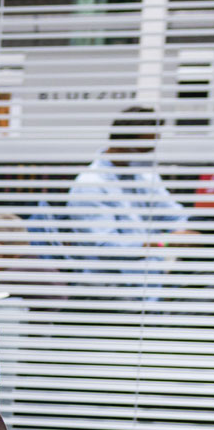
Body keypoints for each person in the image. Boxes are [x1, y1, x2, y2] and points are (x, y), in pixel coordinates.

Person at [63, 106, 185, 298]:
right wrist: (164, 241)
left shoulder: (145, 176)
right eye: (143, 150)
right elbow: (107, 246)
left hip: (150, 286)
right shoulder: (90, 185)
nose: (149, 156)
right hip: (112, 293)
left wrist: (186, 232)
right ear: (123, 145)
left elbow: (175, 216)